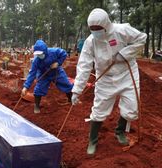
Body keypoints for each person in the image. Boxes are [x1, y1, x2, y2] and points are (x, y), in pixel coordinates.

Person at [71, 8, 147, 155]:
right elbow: (84, 66)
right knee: (99, 110)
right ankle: (92, 140)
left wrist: (125, 54)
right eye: (92, 29)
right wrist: (76, 90)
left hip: (126, 73)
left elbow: (142, 38)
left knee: (132, 109)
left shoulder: (122, 30)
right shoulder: (90, 42)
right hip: (105, 78)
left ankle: (120, 131)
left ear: (106, 25)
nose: (95, 31)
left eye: (98, 28)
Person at [21, 39, 73, 114]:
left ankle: (70, 100)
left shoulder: (54, 51)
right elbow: (32, 73)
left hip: (56, 71)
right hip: (43, 74)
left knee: (66, 84)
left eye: (40, 53)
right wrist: (26, 87)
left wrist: (58, 63)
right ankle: (37, 106)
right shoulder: (36, 61)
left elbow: (64, 54)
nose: (39, 55)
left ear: (45, 50)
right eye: (37, 54)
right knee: (38, 89)